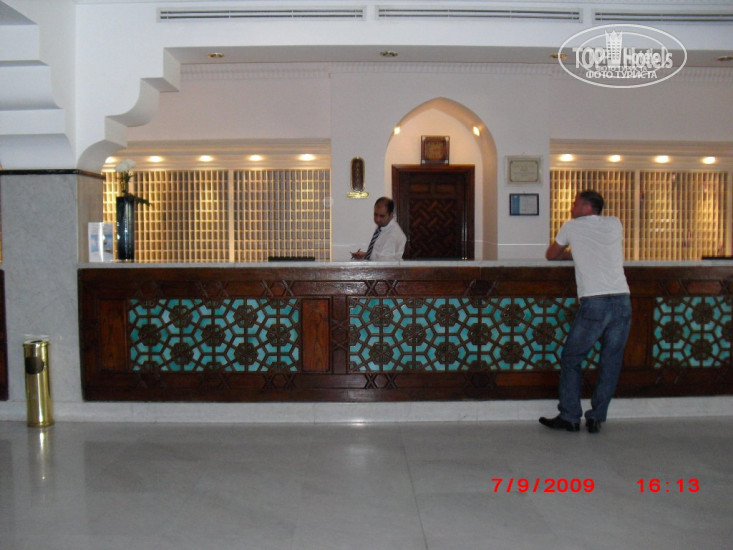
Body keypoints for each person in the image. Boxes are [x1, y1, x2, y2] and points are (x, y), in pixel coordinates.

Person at [539, 190, 631, 434]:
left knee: (571, 358)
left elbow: (551, 255)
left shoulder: (571, 227)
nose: (571, 208)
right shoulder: (615, 223)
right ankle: (596, 417)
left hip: (595, 301)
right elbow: (602, 248)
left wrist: (575, 252)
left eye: (575, 204)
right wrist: (581, 251)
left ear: (588, 207)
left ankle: (569, 416)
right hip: (622, 300)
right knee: (611, 361)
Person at [351, 196, 406, 262]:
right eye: (375, 214)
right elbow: (379, 255)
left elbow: (383, 264)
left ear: (391, 215)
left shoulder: (393, 235)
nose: (377, 219)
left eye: (382, 216)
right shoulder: (382, 226)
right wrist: (366, 255)